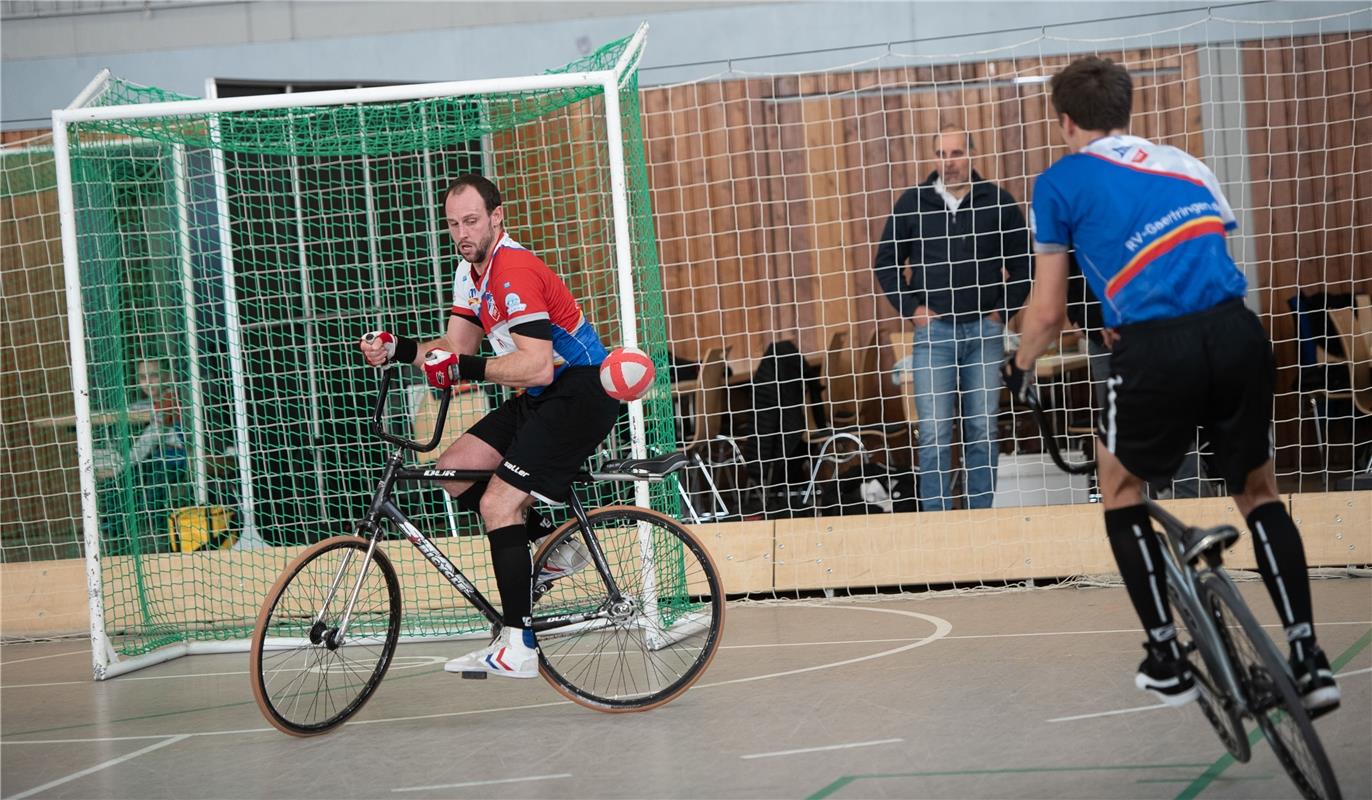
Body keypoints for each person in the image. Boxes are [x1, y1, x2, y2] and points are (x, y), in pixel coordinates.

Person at [1004, 56, 1339, 715]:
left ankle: (1164, 653)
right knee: (1258, 490)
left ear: (1064, 120)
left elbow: (1046, 314)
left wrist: (1019, 366)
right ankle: (1308, 655)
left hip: (1156, 349)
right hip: (1237, 331)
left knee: (1120, 487)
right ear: (1126, 111)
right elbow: (1198, 253)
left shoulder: (1059, 182)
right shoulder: (1187, 164)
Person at [359, 173, 619, 679]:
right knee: (454, 470)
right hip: (538, 395)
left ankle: (519, 642)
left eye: (472, 220)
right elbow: (458, 349)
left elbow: (538, 364)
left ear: (497, 217)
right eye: (454, 224)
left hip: (578, 391)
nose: (463, 232)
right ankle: (556, 540)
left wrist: (462, 369)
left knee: (499, 502)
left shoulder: (514, 270)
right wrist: (400, 350)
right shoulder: (470, 272)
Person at [874, 124, 1031, 510]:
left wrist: (1002, 312)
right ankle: (937, 530)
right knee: (934, 435)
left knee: (982, 431)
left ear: (972, 155)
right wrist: (913, 310)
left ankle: (982, 520)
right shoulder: (913, 203)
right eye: (942, 154)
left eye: (957, 153)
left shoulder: (996, 201)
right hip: (935, 335)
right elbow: (886, 264)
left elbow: (1025, 263)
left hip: (984, 333)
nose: (950, 162)